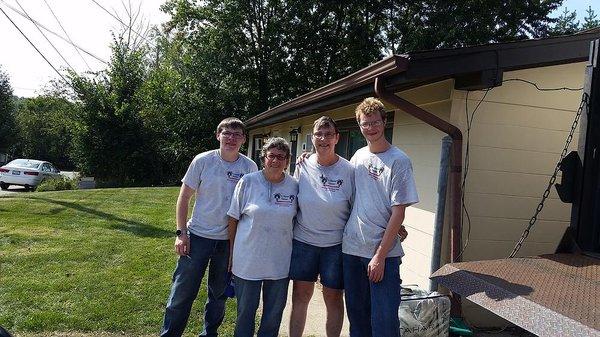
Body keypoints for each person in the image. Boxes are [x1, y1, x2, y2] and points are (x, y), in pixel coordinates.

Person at [160, 117, 258, 337]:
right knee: (182, 293)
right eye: (227, 133)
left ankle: (209, 333)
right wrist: (181, 233)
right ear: (218, 135)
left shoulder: (249, 167)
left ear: (243, 139)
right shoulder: (203, 160)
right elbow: (184, 197)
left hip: (229, 242)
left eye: (236, 134)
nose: (231, 138)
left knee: (218, 296)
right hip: (198, 238)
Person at [342, 97, 418, 337]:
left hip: (383, 255)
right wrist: (307, 159)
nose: (371, 128)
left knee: (384, 322)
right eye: (365, 124)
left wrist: (380, 256)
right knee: (358, 319)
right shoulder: (358, 157)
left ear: (384, 122)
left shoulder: (399, 160)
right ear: (359, 125)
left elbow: (399, 211)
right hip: (352, 249)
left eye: (375, 122)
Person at [288, 116, 354, 337]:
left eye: (328, 134)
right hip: (304, 241)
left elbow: (358, 207)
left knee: (333, 296)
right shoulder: (302, 165)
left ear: (337, 137)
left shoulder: (349, 170)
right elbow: (292, 197)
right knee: (300, 295)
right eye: (318, 134)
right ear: (312, 137)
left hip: (335, 245)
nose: (323, 138)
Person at [227, 137, 298, 337]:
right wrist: (231, 254)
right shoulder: (248, 182)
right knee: (245, 314)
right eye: (271, 156)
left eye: (281, 157)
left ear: (287, 160)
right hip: (247, 262)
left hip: (279, 264)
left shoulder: (294, 186)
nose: (275, 161)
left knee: (273, 316)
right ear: (263, 158)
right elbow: (232, 219)